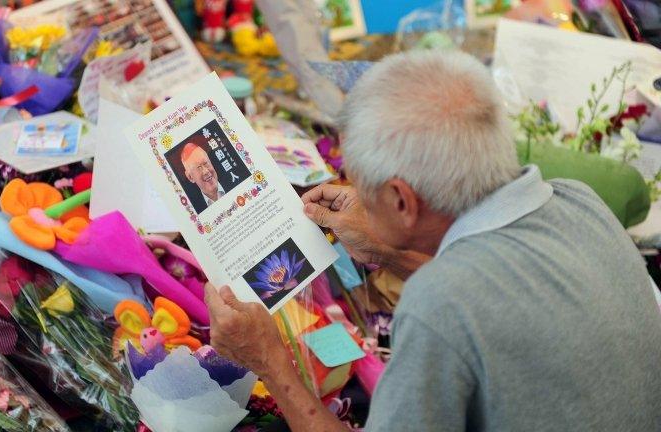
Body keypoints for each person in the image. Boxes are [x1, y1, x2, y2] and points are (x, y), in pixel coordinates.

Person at [204, 50, 661, 431]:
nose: (357, 196)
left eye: (363, 186)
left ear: (402, 200)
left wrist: (269, 360)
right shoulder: (579, 201)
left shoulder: (439, 303)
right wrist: (390, 251)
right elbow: (499, 301)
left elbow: (462, 304)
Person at [180, 142, 224, 210]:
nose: (206, 171)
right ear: (190, 177)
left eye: (206, 163)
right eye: (199, 167)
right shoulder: (193, 207)